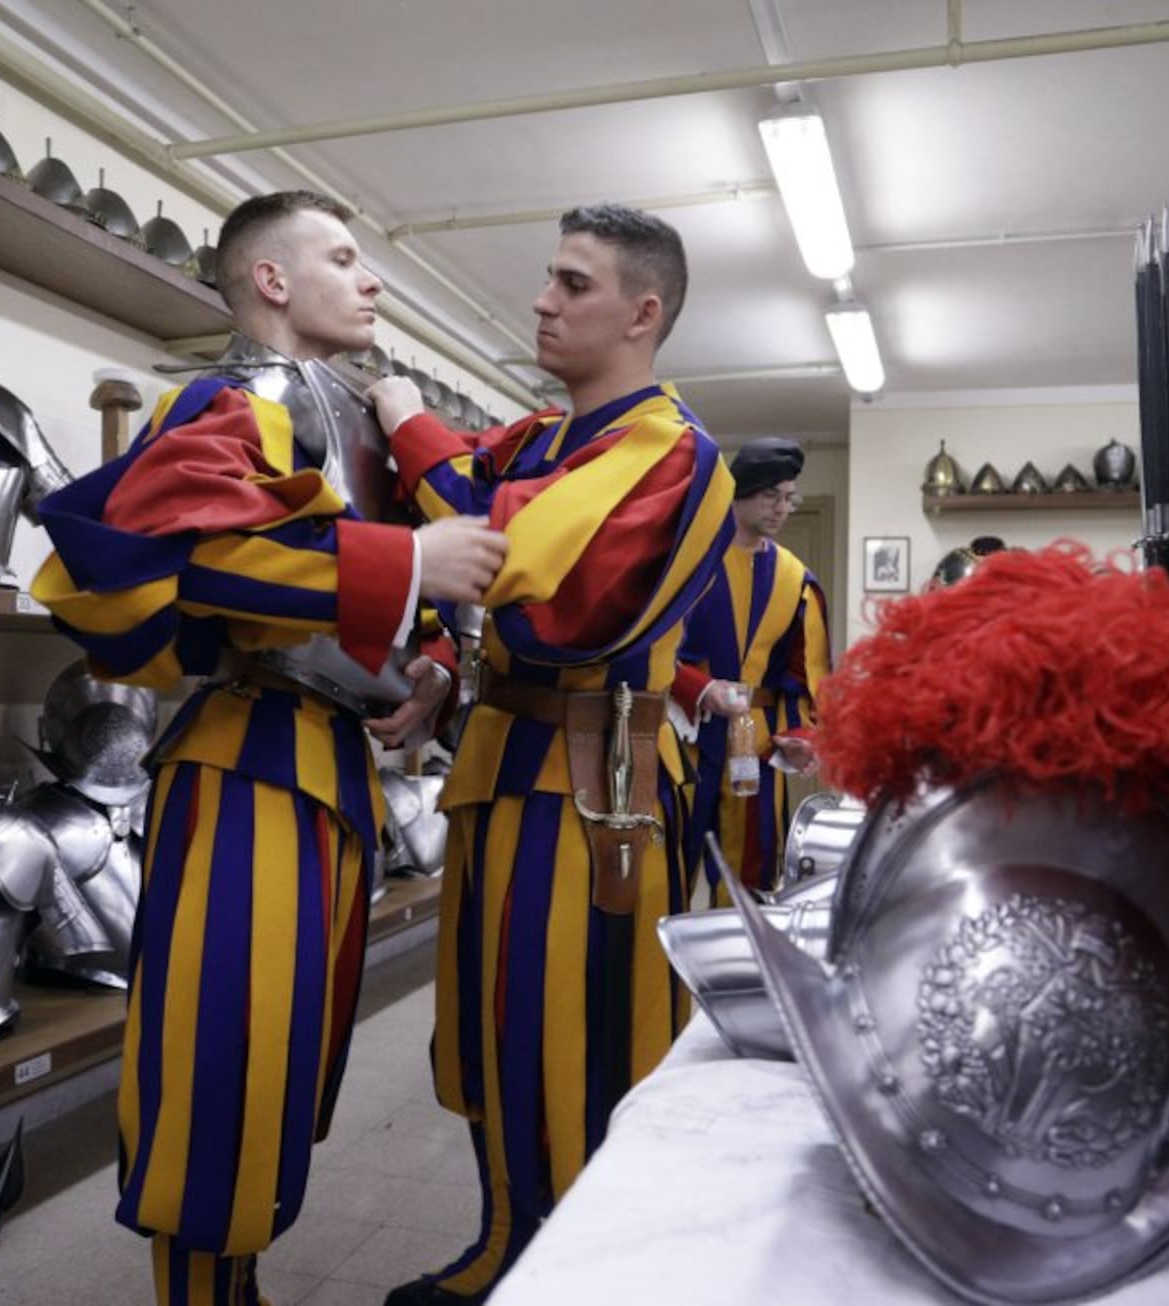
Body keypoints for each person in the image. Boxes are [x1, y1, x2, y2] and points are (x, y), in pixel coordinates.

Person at [31, 189, 508, 1306]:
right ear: (272, 282)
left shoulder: (341, 408)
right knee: (220, 1055)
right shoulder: (237, 396)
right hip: (248, 760)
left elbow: (377, 579)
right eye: (344, 258)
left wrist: (433, 661)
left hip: (333, 762)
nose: (373, 278)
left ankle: (235, 1278)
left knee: (284, 1060)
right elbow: (165, 561)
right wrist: (406, 569)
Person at [364, 204, 736, 1305]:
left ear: (642, 310)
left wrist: (403, 415)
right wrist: (438, 657)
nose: (543, 299)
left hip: (592, 787)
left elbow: (506, 556)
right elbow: (451, 554)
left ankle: (579, 1272)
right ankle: (503, 1244)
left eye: (572, 283)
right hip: (499, 761)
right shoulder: (534, 438)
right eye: (549, 278)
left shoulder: (672, 449)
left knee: (580, 1038)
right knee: (485, 1031)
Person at [672, 436, 832, 901]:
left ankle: (743, 968)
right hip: (684, 735)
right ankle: (666, 970)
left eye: (789, 498)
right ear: (738, 493)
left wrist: (801, 737)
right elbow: (651, 649)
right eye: (770, 496)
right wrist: (700, 689)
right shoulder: (689, 564)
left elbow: (807, 674)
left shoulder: (794, 577)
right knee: (669, 866)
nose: (783, 508)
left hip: (756, 746)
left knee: (752, 879)